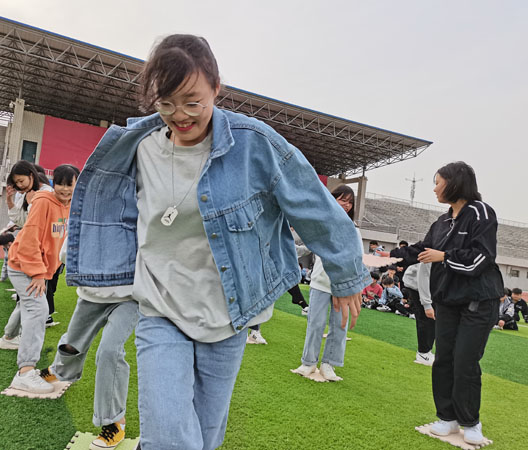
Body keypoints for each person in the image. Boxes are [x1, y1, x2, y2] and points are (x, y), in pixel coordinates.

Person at [65, 34, 368, 450]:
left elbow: (313, 204)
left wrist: (346, 272)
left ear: (216, 88)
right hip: (160, 308)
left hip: (228, 315)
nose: (179, 115)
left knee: (206, 439)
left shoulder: (254, 143)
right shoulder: (138, 148)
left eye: (193, 102)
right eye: (165, 103)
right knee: (168, 438)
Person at [382, 161, 503, 445]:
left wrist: (445, 257)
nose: (435, 188)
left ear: (455, 182)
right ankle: (447, 418)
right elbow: (422, 250)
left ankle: (470, 422)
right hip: (447, 300)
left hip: (478, 301)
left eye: (438, 182)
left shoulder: (481, 213)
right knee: (444, 359)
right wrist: (390, 257)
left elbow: (481, 257)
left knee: (465, 361)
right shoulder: (442, 221)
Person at [39, 240, 138, 450]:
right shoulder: (86, 219)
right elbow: (66, 253)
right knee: (71, 345)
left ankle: (114, 422)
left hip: (130, 297)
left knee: (109, 352)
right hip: (92, 294)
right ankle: (58, 370)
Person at [4, 164, 78, 393]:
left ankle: (9, 335)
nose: (64, 189)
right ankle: (25, 372)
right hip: (23, 266)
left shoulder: (72, 205)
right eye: (60, 184)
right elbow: (29, 240)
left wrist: (46, 272)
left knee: (28, 306)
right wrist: (37, 274)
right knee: (38, 310)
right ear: (53, 184)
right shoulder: (44, 202)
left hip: (39, 269)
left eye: (69, 184)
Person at [293, 184, 360, 382]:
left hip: (343, 285)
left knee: (339, 326)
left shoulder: (354, 229)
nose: (346, 205)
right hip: (320, 282)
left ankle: (329, 364)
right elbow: (307, 247)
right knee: (315, 323)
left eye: (350, 202)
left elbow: (357, 257)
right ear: (333, 199)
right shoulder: (321, 222)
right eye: (342, 200)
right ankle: (308, 362)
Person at [403, 263, 436, 365]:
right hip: (416, 284)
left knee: (432, 319)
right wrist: (427, 304)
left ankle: (427, 351)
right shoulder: (429, 257)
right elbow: (423, 276)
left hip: (430, 285)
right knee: (425, 317)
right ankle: (423, 353)